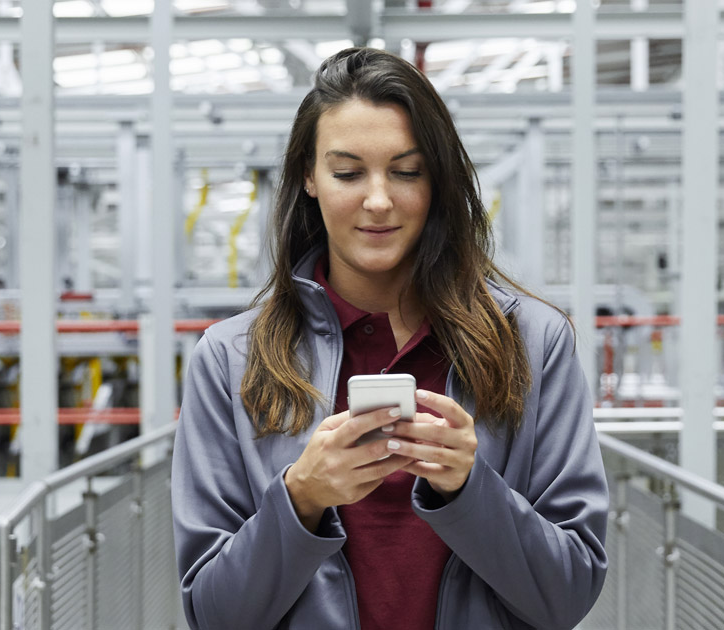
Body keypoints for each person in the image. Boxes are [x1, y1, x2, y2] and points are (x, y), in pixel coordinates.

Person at [171, 47, 608, 630]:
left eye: (406, 171)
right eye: (348, 173)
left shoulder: (533, 344)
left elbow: (568, 595)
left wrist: (469, 491)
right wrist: (300, 498)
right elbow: (212, 614)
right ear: (308, 177)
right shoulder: (231, 361)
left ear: (438, 181)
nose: (378, 200)